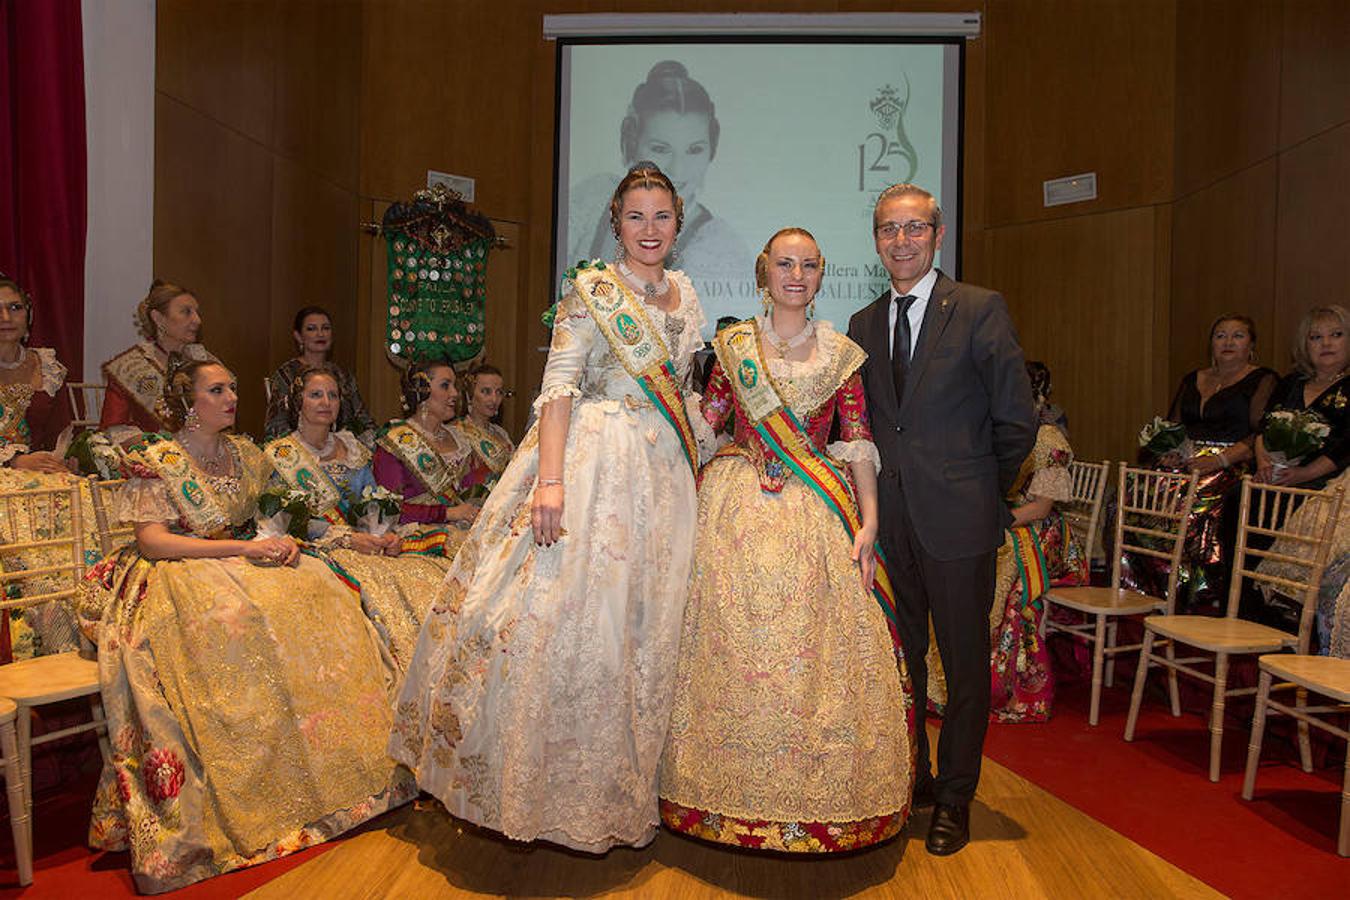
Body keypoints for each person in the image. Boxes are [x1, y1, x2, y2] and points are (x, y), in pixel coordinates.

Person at [389, 164, 710, 852]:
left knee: (646, 632)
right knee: (574, 624)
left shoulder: (688, 294)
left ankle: (630, 789)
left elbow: (685, 391)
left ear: (677, 223)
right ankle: (548, 789)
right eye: (635, 216)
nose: (648, 229)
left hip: (664, 477)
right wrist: (552, 483)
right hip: (597, 464)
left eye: (661, 217)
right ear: (616, 221)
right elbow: (557, 388)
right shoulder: (590, 292)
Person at [77, 357, 411, 893]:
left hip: (239, 563)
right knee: (235, 623)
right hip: (175, 573)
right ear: (189, 402)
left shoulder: (246, 455)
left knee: (320, 594)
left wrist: (340, 540)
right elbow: (152, 540)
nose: (231, 397)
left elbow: (292, 516)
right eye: (217, 389)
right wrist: (242, 548)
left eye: (233, 386)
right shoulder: (157, 458)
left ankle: (326, 771)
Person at [659, 228, 913, 852]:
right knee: (729, 645)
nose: (795, 275)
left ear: (822, 274)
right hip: (735, 516)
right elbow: (709, 429)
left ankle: (819, 800)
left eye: (808, 265)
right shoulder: (734, 346)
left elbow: (856, 445)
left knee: (812, 657)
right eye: (783, 264)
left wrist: (869, 522)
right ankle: (716, 797)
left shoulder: (842, 355)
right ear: (762, 271)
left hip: (812, 517)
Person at [846, 182, 1035, 856]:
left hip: (959, 523)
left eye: (914, 228)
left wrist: (983, 491)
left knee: (962, 669)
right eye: (888, 230)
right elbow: (866, 426)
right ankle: (917, 780)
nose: (901, 241)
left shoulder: (980, 310)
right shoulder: (863, 324)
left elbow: (1017, 421)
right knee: (902, 665)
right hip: (888, 524)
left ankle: (956, 796)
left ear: (938, 234)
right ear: (875, 241)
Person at [265, 364, 452, 672]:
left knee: (424, 577)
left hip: (367, 545)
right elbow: (282, 517)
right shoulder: (281, 455)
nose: (326, 402)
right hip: (316, 548)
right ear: (298, 402)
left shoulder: (352, 448)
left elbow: (373, 499)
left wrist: (385, 532)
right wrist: (348, 539)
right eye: (315, 395)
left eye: (333, 395)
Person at [927, 361, 1086, 723]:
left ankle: (991, 683)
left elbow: (1042, 508)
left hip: (1036, 531)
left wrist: (990, 522)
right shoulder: (989, 430)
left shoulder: (1049, 439)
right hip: (998, 520)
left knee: (996, 564)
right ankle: (942, 679)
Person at [1121, 315, 1277, 611]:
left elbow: (1262, 432)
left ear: (1252, 345)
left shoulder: (1263, 379)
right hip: (1187, 461)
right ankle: (1148, 587)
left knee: (1191, 504)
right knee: (1132, 496)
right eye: (1220, 335)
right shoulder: (1193, 378)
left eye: (1238, 336)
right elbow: (1173, 426)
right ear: (1211, 344)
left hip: (1231, 463)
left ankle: (1195, 595)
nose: (1228, 342)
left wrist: (1218, 460)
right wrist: (1169, 451)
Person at [567, 61, 749, 300]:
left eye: (694, 150)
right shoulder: (590, 200)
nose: (677, 169)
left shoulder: (723, 249)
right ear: (632, 143)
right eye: (660, 149)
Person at [373, 359, 479, 558]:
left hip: (460, 532)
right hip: (414, 539)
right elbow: (388, 511)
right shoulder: (395, 441)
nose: (455, 393)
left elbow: (469, 492)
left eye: (454, 386)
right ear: (421, 391)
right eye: (445, 386)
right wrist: (447, 513)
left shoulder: (460, 440)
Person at [100, 279, 215, 441]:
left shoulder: (205, 362)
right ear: (158, 318)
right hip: (156, 459)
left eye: (197, 312)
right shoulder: (129, 367)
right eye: (186, 312)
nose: (197, 320)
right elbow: (114, 430)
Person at [1255, 305, 1350, 489]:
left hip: (1329, 482)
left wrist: (1306, 473)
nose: (1326, 343)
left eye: (1336, 335)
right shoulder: (1291, 382)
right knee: (1237, 496)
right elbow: (1263, 429)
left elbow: (1347, 447)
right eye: (1316, 337)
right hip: (1276, 475)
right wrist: (1264, 464)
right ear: (1305, 345)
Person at [264, 306, 377, 444]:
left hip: (340, 446)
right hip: (300, 450)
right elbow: (276, 426)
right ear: (298, 336)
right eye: (312, 329)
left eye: (325, 328)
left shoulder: (341, 374)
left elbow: (362, 418)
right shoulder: (287, 374)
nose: (320, 334)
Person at [451, 362, 514, 497]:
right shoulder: (457, 432)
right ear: (470, 394)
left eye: (499, 392)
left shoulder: (501, 433)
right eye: (486, 391)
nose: (494, 399)